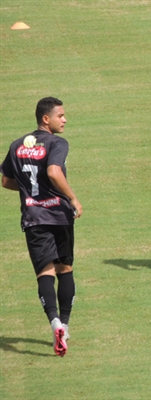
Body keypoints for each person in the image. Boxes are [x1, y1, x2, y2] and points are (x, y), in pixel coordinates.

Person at [1, 97, 83, 357]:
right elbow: (54, 172)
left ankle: (54, 322)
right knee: (65, 269)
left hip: (34, 218)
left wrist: (27, 190)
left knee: (44, 273)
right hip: (59, 215)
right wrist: (72, 198)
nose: (65, 119)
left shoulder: (16, 146)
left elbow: (5, 181)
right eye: (60, 115)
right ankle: (66, 325)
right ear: (45, 119)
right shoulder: (57, 143)